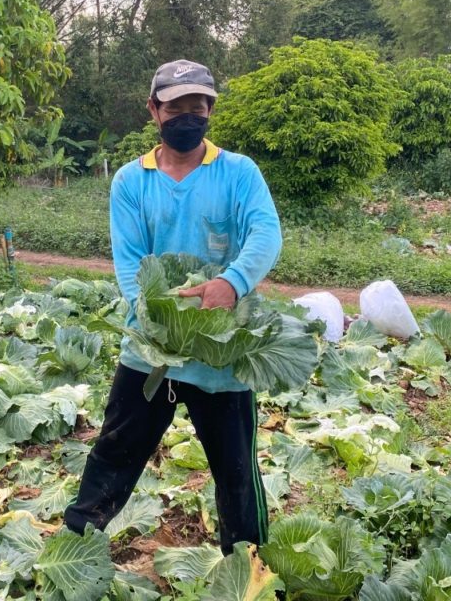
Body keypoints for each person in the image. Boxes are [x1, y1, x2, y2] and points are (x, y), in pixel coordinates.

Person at [63, 59, 282, 554]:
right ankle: (73, 545)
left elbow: (266, 233)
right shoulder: (130, 181)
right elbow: (129, 264)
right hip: (151, 352)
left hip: (221, 354)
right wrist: (160, 319)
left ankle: (247, 564)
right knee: (114, 455)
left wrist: (233, 281)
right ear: (153, 110)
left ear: (210, 110)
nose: (188, 115)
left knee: (236, 474)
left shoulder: (238, 172)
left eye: (198, 106)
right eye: (176, 107)